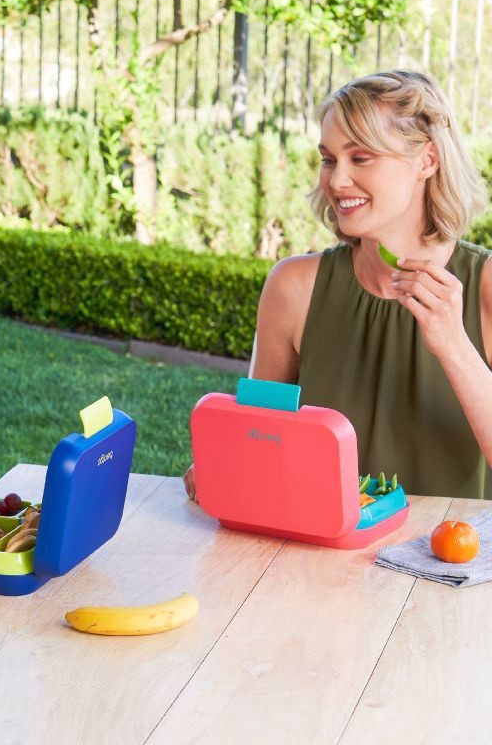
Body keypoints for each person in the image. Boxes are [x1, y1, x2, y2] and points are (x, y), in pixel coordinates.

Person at [185, 70, 492, 502]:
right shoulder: (294, 288)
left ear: (427, 160)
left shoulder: (484, 286)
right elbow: (257, 436)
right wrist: (224, 461)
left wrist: (454, 344)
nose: (336, 180)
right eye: (329, 159)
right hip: (315, 555)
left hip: (446, 557)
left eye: (360, 157)